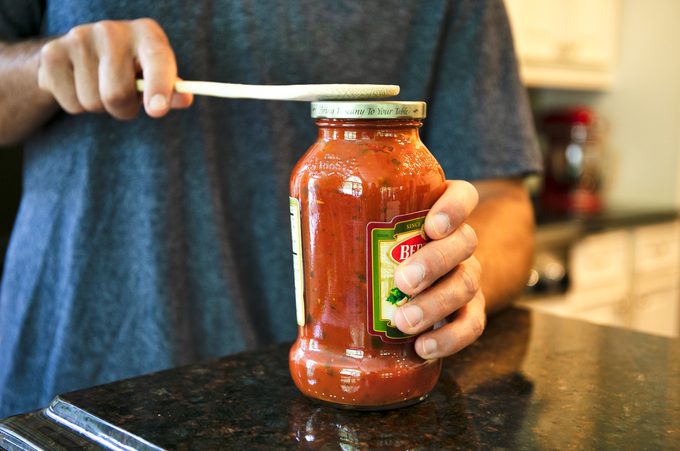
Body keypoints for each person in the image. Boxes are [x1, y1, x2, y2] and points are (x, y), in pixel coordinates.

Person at [0, 0, 541, 418]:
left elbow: (502, 202)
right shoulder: (319, 167)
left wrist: (451, 278)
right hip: (69, 367)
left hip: (317, 407)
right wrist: (42, 67)